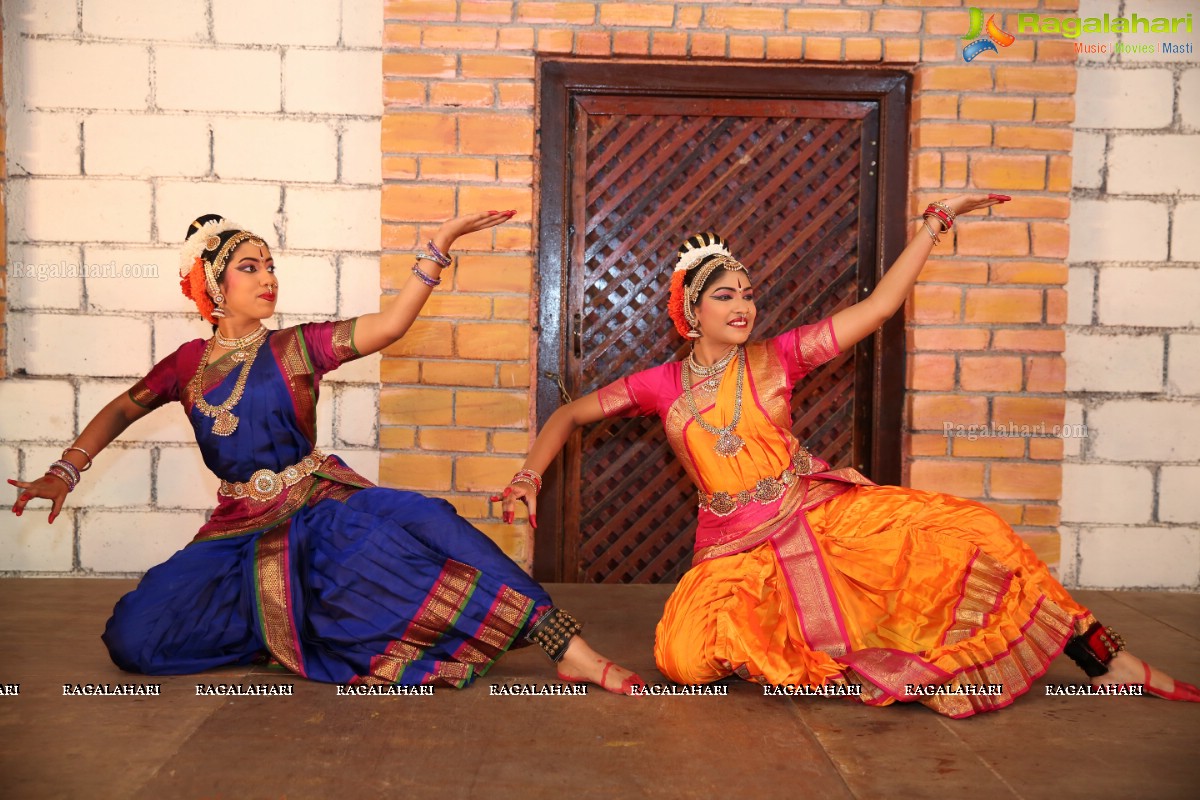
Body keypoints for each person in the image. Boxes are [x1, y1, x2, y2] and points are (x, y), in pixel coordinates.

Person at [496, 195, 1200, 716]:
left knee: (972, 532)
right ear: (692, 311)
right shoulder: (661, 386)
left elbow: (880, 307)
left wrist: (933, 226)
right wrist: (530, 470)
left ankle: (1102, 657)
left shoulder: (780, 358)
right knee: (684, 657)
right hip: (734, 549)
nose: (743, 305)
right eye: (725, 296)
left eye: (747, 292)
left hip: (815, 516)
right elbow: (569, 412)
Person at [8, 211, 642, 695]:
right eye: (249, 266)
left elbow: (390, 326)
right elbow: (124, 407)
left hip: (313, 503)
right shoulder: (185, 365)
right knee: (133, 638)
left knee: (426, 525)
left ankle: (563, 643)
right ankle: (280, 622)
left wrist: (438, 247)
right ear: (213, 283)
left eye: (270, 264)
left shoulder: (296, 347)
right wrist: (66, 469)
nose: (267, 276)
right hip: (235, 528)